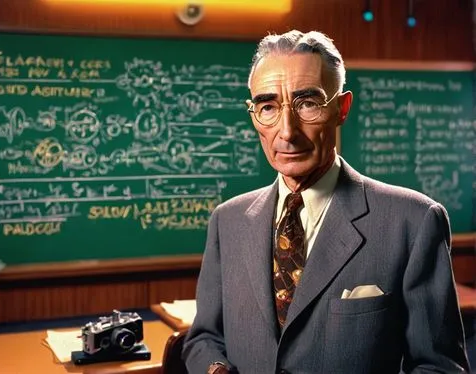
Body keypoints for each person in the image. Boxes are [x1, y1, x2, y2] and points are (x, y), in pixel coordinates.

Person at [182, 30, 470, 374]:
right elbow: (204, 338)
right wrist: (214, 368)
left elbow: (440, 367)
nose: (287, 131)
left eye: (307, 104)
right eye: (268, 106)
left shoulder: (413, 221)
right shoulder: (227, 220)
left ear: (341, 108)